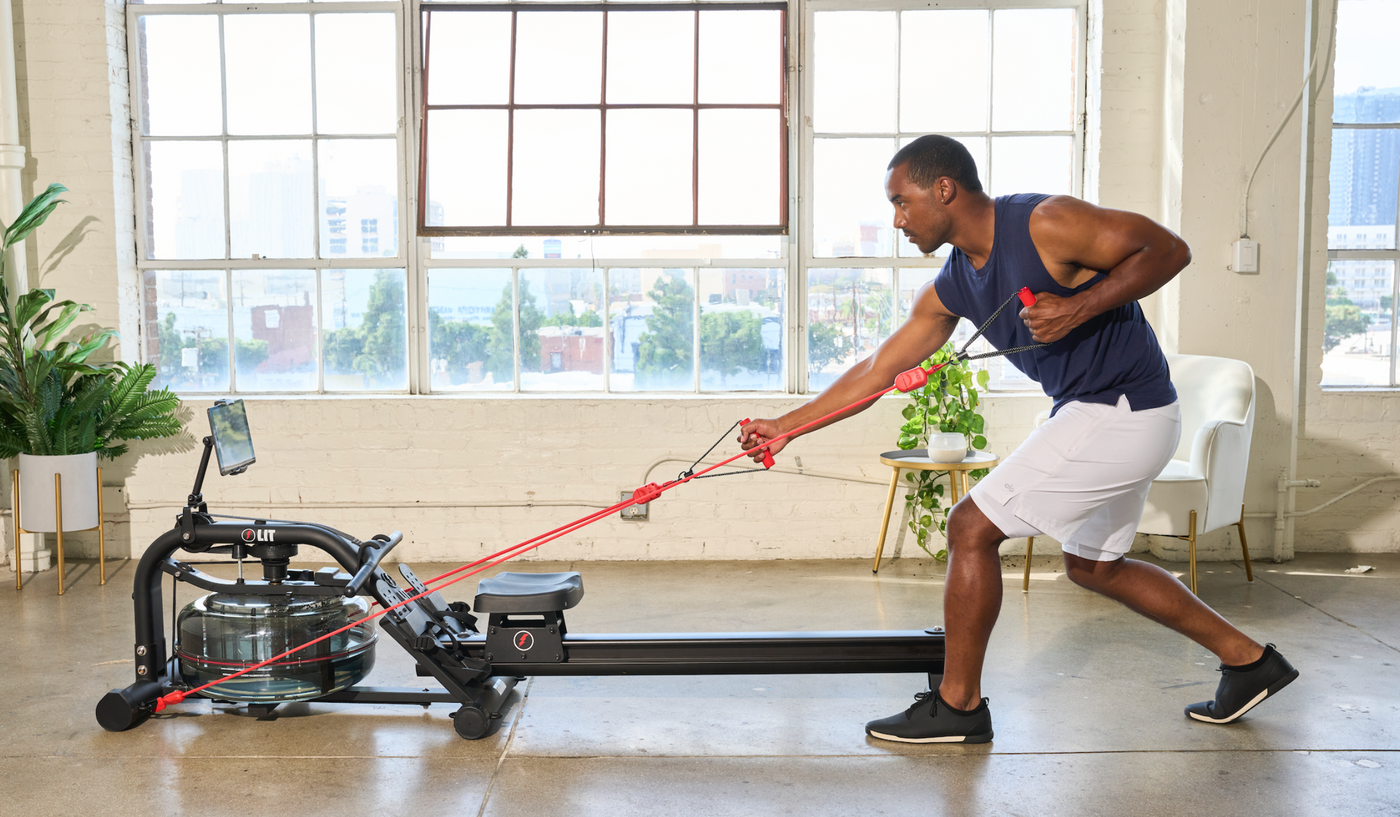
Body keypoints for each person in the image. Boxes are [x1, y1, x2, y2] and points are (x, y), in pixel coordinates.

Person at [739, 135, 1297, 744]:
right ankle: (1250, 662)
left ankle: (959, 707)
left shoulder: (1045, 222)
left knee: (970, 526)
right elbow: (877, 371)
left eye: (902, 202)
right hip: (1110, 412)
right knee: (1094, 567)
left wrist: (1079, 307)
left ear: (943, 189)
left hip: (1120, 409)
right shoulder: (953, 283)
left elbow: (1168, 250)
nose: (897, 219)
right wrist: (787, 427)